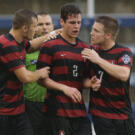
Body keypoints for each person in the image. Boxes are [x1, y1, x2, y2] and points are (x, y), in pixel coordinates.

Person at [0, 9, 60, 135]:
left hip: (16, 110)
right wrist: (40, 73)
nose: (36, 30)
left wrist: (52, 34)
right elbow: (25, 77)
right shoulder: (7, 44)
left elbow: (31, 46)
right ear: (25, 28)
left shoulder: (19, 42)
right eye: (34, 26)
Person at [37, 3, 100, 135]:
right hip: (57, 113)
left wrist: (91, 83)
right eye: (72, 22)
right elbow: (41, 80)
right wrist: (64, 88)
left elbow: (80, 80)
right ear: (62, 22)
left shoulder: (85, 49)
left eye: (79, 22)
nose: (76, 26)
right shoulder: (49, 46)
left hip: (79, 112)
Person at [82, 16, 135, 135]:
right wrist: (90, 83)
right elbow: (79, 79)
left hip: (122, 116)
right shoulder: (90, 52)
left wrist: (98, 60)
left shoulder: (124, 52)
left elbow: (124, 74)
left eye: (96, 31)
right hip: (100, 116)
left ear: (108, 35)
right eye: (92, 29)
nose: (91, 33)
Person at [23, 11, 54, 135]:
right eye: (40, 24)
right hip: (30, 105)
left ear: (52, 26)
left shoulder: (58, 48)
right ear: (34, 27)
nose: (45, 27)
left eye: (48, 24)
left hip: (53, 103)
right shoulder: (26, 49)